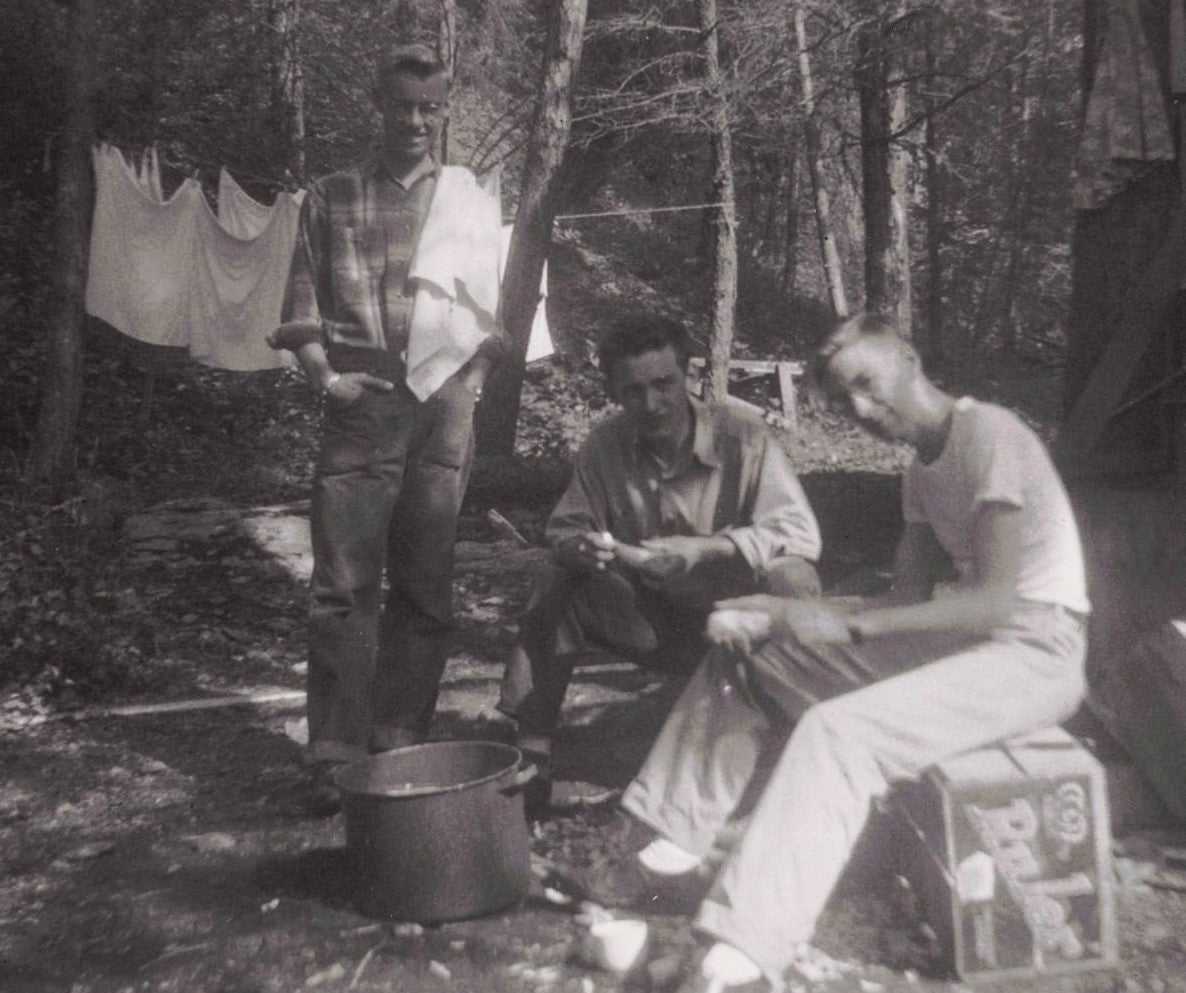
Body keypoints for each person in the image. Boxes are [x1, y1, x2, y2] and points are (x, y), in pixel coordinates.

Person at [582, 313, 1091, 993]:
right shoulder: (920, 470)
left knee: (839, 733)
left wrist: (845, 627)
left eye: (868, 383)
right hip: (970, 637)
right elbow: (904, 600)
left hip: (1037, 649)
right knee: (749, 642)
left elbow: (997, 602)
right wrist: (788, 614)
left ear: (909, 358)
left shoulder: (989, 434)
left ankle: (747, 947)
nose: (862, 408)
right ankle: (668, 843)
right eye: (844, 399)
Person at [269, 45, 504, 815]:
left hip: (442, 404)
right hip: (362, 398)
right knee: (342, 583)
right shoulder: (330, 195)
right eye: (400, 105)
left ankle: (399, 741)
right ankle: (332, 750)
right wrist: (328, 379)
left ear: (442, 112)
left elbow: (491, 316)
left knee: (426, 582)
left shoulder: (469, 200)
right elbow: (300, 312)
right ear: (379, 105)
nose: (413, 120)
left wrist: (470, 383)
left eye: (427, 107)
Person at [496, 315, 822, 815]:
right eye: (632, 391)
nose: (650, 405)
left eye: (663, 385)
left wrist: (711, 549)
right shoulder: (605, 445)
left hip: (738, 628)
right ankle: (533, 757)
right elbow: (565, 529)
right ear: (613, 392)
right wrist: (579, 547)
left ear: (688, 374)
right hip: (654, 623)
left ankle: (797, 743)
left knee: (794, 576)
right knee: (557, 574)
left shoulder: (744, 437)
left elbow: (799, 535)